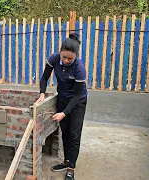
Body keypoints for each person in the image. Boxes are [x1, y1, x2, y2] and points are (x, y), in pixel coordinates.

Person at [36, 33, 87, 180]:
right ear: (60, 52)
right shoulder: (54, 59)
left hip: (78, 102)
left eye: (70, 58)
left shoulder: (79, 69)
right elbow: (45, 77)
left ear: (76, 56)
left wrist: (64, 113)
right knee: (64, 131)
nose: (65, 61)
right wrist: (42, 93)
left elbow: (77, 96)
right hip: (63, 99)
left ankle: (71, 168)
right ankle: (66, 161)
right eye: (63, 57)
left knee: (74, 134)